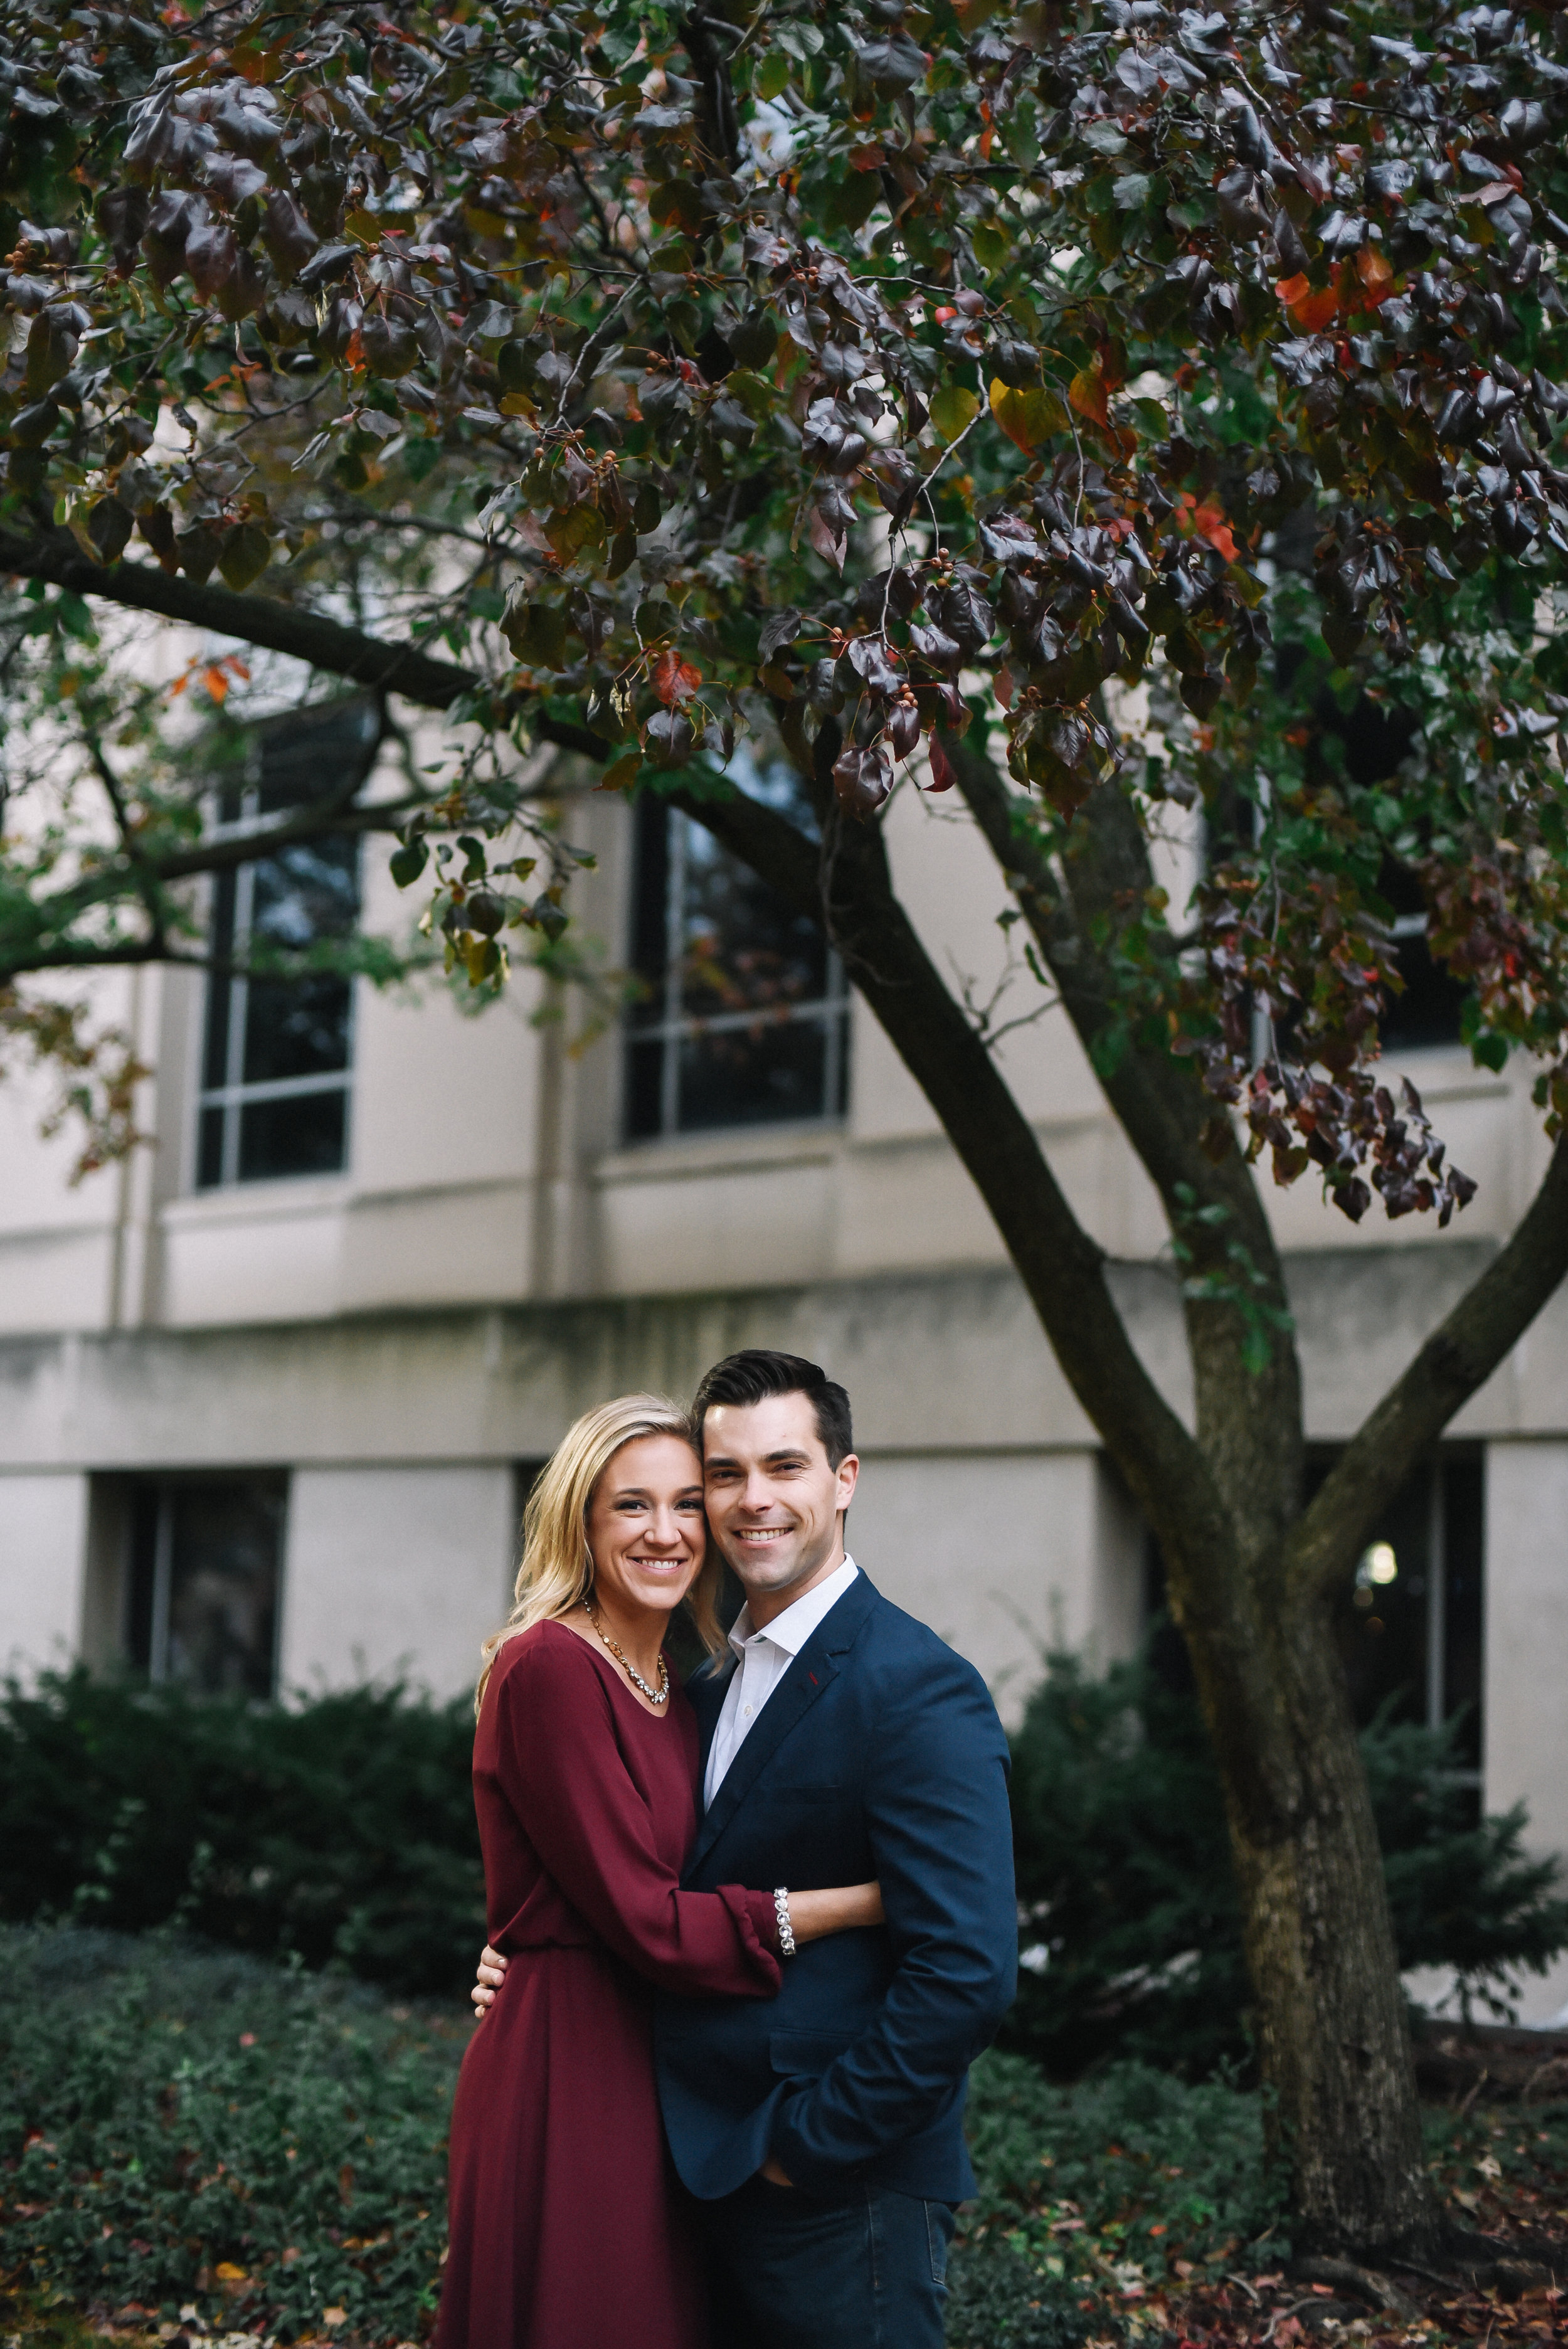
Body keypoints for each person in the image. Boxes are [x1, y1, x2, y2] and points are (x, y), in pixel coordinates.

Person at [475, 1351, 1017, 2348]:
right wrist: (541, 1947)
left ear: (844, 1479)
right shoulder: (704, 1687)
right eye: (726, 1475)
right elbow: (640, 1886)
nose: (750, 1500)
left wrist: (800, 2147)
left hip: (833, 2188)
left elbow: (969, 1972)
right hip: (688, 2165)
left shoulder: (915, 1685)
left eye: (785, 1467)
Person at [436, 1391, 884, 2349]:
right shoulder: (550, 1667)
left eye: (687, 1502)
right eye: (631, 1504)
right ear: (582, 1522)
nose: (667, 1531)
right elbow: (643, 1912)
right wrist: (865, 1902)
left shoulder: (687, 1690)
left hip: (667, 2069)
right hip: (570, 2070)